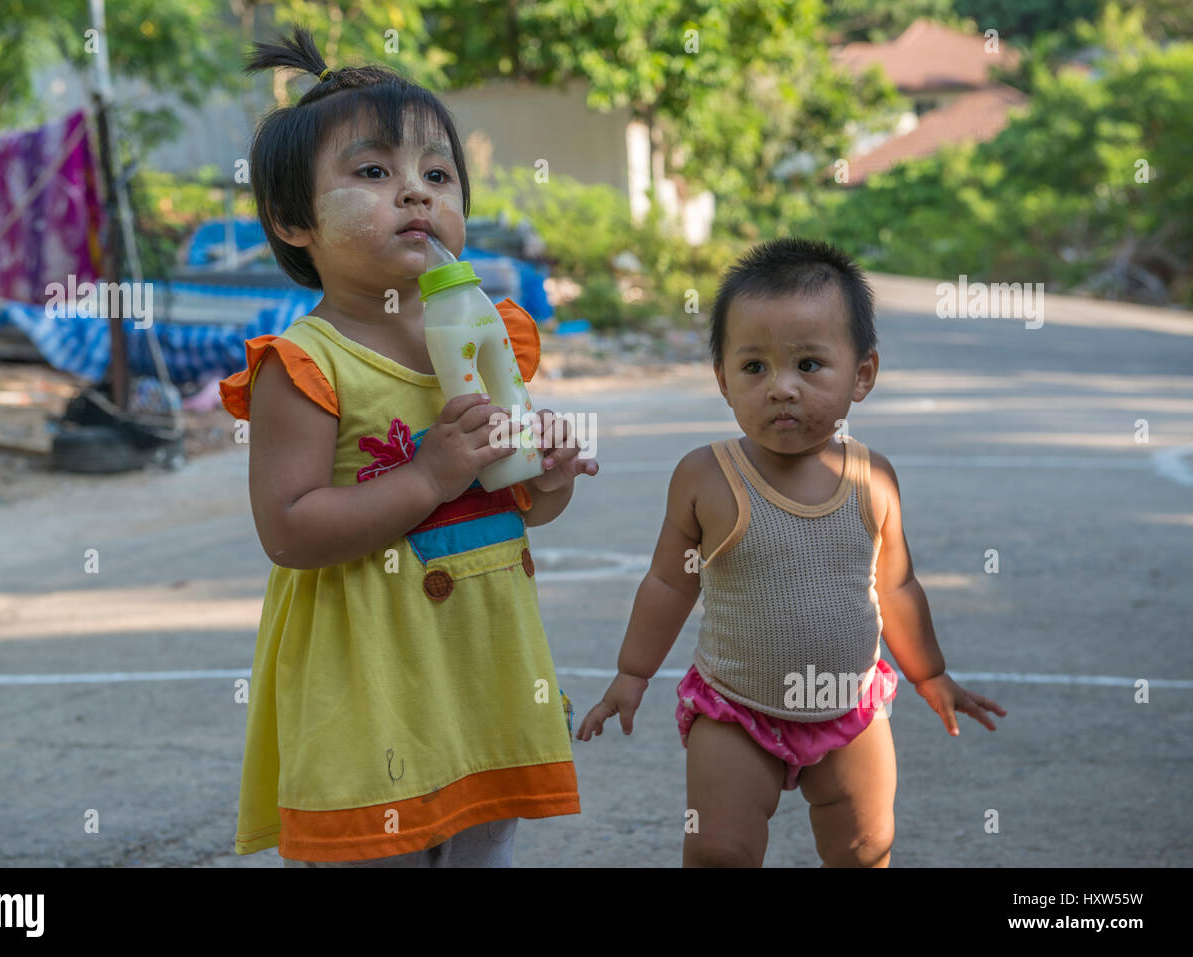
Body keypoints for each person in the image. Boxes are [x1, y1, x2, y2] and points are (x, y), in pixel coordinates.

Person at [218, 26, 597, 867]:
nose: (416, 194)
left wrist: (553, 473)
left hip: (480, 665)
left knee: (480, 844)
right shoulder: (307, 364)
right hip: (372, 680)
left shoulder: (485, 333)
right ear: (293, 220)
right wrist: (427, 473)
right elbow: (289, 528)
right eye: (374, 173)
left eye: (436, 175)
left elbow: (519, 503)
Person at [576, 237, 1006, 867]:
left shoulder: (873, 478)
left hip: (850, 707)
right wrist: (632, 674)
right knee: (718, 849)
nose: (781, 388)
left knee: (865, 846)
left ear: (862, 375)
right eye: (754, 368)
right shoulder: (705, 476)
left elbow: (897, 587)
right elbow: (669, 584)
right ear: (723, 379)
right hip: (735, 707)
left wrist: (929, 674)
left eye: (808, 365)